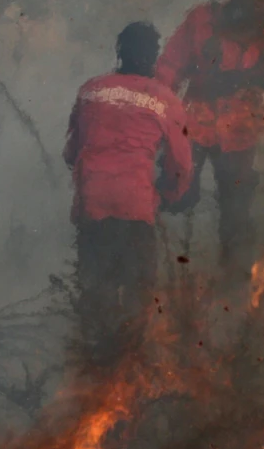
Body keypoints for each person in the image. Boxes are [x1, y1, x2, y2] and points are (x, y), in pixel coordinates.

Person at [155, 0, 264, 278]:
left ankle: (234, 282)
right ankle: (160, 263)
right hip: (194, 125)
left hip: (241, 131)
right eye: (249, 2)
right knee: (178, 196)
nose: (256, 11)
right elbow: (168, 68)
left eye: (263, 4)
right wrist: (158, 114)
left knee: (236, 211)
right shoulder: (201, 22)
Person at [63, 22, 193, 365]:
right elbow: (180, 165)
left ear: (119, 51)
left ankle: (92, 370)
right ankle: (127, 374)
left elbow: (70, 152)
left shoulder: (90, 90)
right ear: (153, 58)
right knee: (138, 296)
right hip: (136, 208)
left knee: (96, 294)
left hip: (93, 206)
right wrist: (168, 195)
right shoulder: (164, 99)